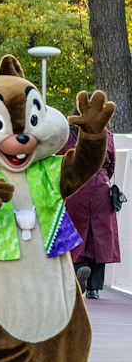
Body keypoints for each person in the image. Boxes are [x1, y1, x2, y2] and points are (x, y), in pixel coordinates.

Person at [63, 120, 121, 299]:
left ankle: (79, 269)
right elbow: (111, 167)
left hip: (76, 189)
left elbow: (60, 162)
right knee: (100, 238)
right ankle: (94, 288)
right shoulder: (107, 137)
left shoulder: (67, 137)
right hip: (101, 189)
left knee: (75, 232)